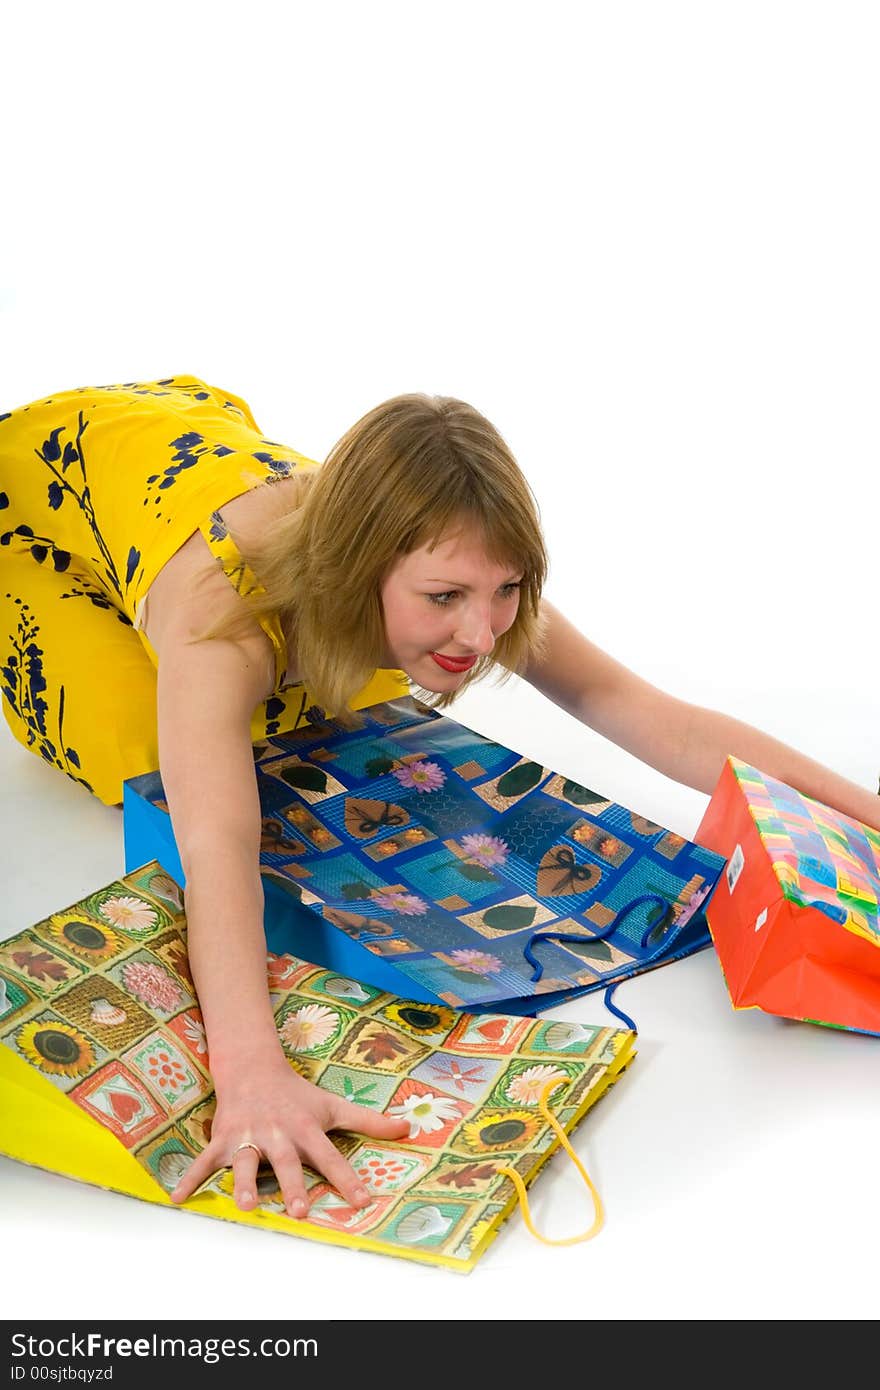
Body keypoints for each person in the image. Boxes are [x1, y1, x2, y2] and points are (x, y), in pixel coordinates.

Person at [2, 374, 878, 1221]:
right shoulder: (218, 623)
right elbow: (219, 841)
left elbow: (640, 710)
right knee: (151, 754)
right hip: (38, 492)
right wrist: (252, 1073)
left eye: (504, 592)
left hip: (203, 466)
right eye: (445, 598)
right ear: (357, 566)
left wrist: (863, 812)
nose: (481, 631)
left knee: (354, 711)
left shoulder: (458, 571)